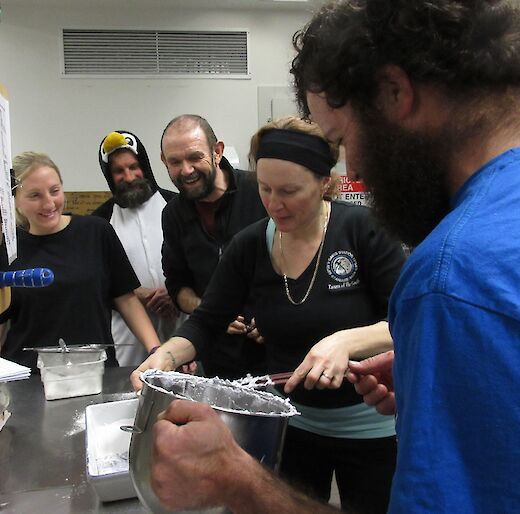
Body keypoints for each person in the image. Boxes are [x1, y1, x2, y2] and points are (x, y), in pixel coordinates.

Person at [147, 1, 520, 513]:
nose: (357, 166)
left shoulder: (452, 277)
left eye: (345, 139)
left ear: (395, 93)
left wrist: (238, 481)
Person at [134, 116, 406, 513]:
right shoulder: (250, 246)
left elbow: (409, 322)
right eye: (264, 188)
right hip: (289, 426)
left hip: (372, 428)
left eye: (290, 191)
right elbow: (206, 322)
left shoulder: (362, 231)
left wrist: (344, 342)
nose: (274, 203)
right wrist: (166, 356)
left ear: (324, 183)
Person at [0, 151, 161, 369]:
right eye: (35, 196)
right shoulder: (9, 249)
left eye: (54, 191)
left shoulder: (96, 232)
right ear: (14, 201)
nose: (49, 203)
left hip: (96, 373)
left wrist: (157, 350)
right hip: (29, 377)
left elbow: (126, 299)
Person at [159, 114, 268, 379]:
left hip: (276, 357)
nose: (186, 170)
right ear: (164, 162)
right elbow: (178, 284)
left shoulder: (261, 192)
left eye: (195, 157)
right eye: (175, 162)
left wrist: (275, 315)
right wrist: (209, 310)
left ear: (217, 151)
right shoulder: (173, 214)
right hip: (216, 362)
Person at [92, 130, 185, 366]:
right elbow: (96, 283)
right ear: (109, 176)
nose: (129, 176)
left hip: (182, 321)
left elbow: (199, 261)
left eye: (134, 166)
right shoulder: (100, 221)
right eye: (119, 171)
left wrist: (176, 293)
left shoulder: (179, 206)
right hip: (127, 337)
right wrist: (135, 294)